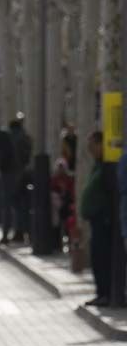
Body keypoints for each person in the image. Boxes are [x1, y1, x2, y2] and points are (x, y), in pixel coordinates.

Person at [80, 130, 112, 308]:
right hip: (96, 220)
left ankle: (105, 293)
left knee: (102, 257)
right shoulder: (98, 164)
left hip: (104, 220)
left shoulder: (108, 166)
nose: (89, 149)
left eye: (92, 145)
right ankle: (101, 292)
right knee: (97, 257)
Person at [9, 114, 33, 244]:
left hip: (15, 175)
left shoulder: (12, 137)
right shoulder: (24, 137)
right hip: (23, 173)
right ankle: (25, 232)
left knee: (17, 205)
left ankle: (19, 232)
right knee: (24, 205)